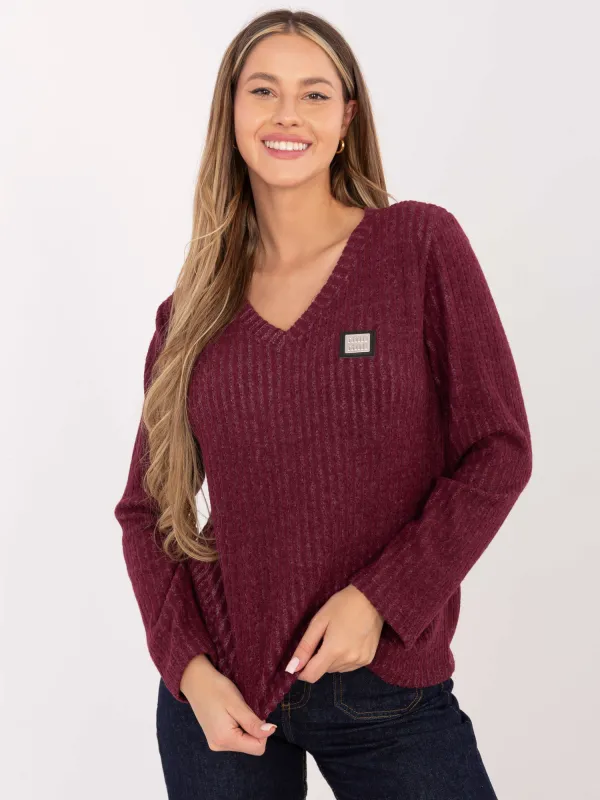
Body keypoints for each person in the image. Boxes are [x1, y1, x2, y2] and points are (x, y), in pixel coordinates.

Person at [114, 8, 532, 799]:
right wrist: (189, 670)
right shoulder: (191, 311)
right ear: (231, 113)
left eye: (314, 94)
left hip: (388, 692)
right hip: (221, 697)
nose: (287, 114)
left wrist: (380, 598)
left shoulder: (417, 246)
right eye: (263, 90)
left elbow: (499, 451)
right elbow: (146, 510)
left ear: (346, 119)